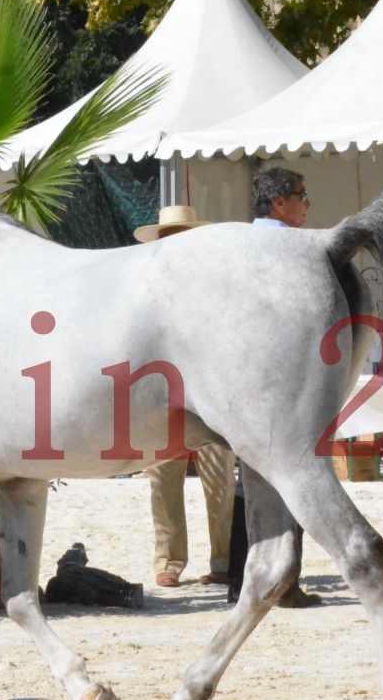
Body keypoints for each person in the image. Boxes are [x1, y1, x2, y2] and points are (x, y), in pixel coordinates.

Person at [228, 167, 321, 608]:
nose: (306, 204)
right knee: (287, 478)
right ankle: (279, 582)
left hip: (243, 374)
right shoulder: (287, 248)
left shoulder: (242, 245)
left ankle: (250, 580)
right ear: (279, 202)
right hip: (273, 376)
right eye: (302, 196)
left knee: (253, 482)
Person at [132, 206, 236, 588]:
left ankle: (223, 560)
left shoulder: (215, 286)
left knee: (219, 479)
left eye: (179, 234)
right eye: (168, 235)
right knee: (162, 480)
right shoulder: (145, 287)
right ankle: (169, 558)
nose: (173, 242)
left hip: (209, 394)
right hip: (162, 394)